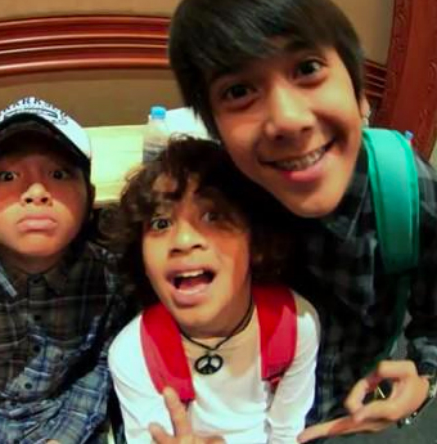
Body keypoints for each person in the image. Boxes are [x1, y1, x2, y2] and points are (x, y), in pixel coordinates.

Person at [167, 0, 437, 441]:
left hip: (346, 416)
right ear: (216, 129)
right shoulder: (207, 208)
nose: (289, 120)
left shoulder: (403, 188)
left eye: (308, 68)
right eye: (239, 91)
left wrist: (424, 378)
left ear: (360, 94)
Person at [0, 96, 127, 443]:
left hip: (68, 423)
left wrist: (65, 437)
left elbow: (101, 365)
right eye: (7, 176)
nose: (36, 192)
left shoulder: (107, 277)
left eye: (58, 174)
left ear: (89, 198)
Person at [108, 137, 320, 443]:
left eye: (213, 216)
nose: (183, 241)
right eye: (161, 223)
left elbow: (287, 434)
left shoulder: (295, 324)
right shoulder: (134, 353)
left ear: (257, 241)